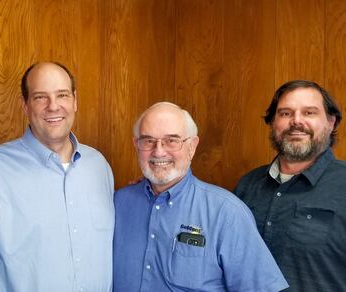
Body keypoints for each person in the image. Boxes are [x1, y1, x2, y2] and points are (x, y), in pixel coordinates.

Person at [0, 62, 114, 292]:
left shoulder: (99, 166)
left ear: (75, 101)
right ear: (25, 105)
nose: (53, 106)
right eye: (41, 97)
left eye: (62, 95)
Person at [234, 80, 346, 291]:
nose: (296, 122)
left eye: (309, 113)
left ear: (331, 122)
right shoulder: (248, 185)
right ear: (273, 122)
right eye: (285, 113)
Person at [113, 102, 288, 291]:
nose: (159, 151)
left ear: (192, 146)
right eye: (148, 141)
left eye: (171, 140)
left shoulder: (227, 213)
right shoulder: (117, 204)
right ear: (136, 145)